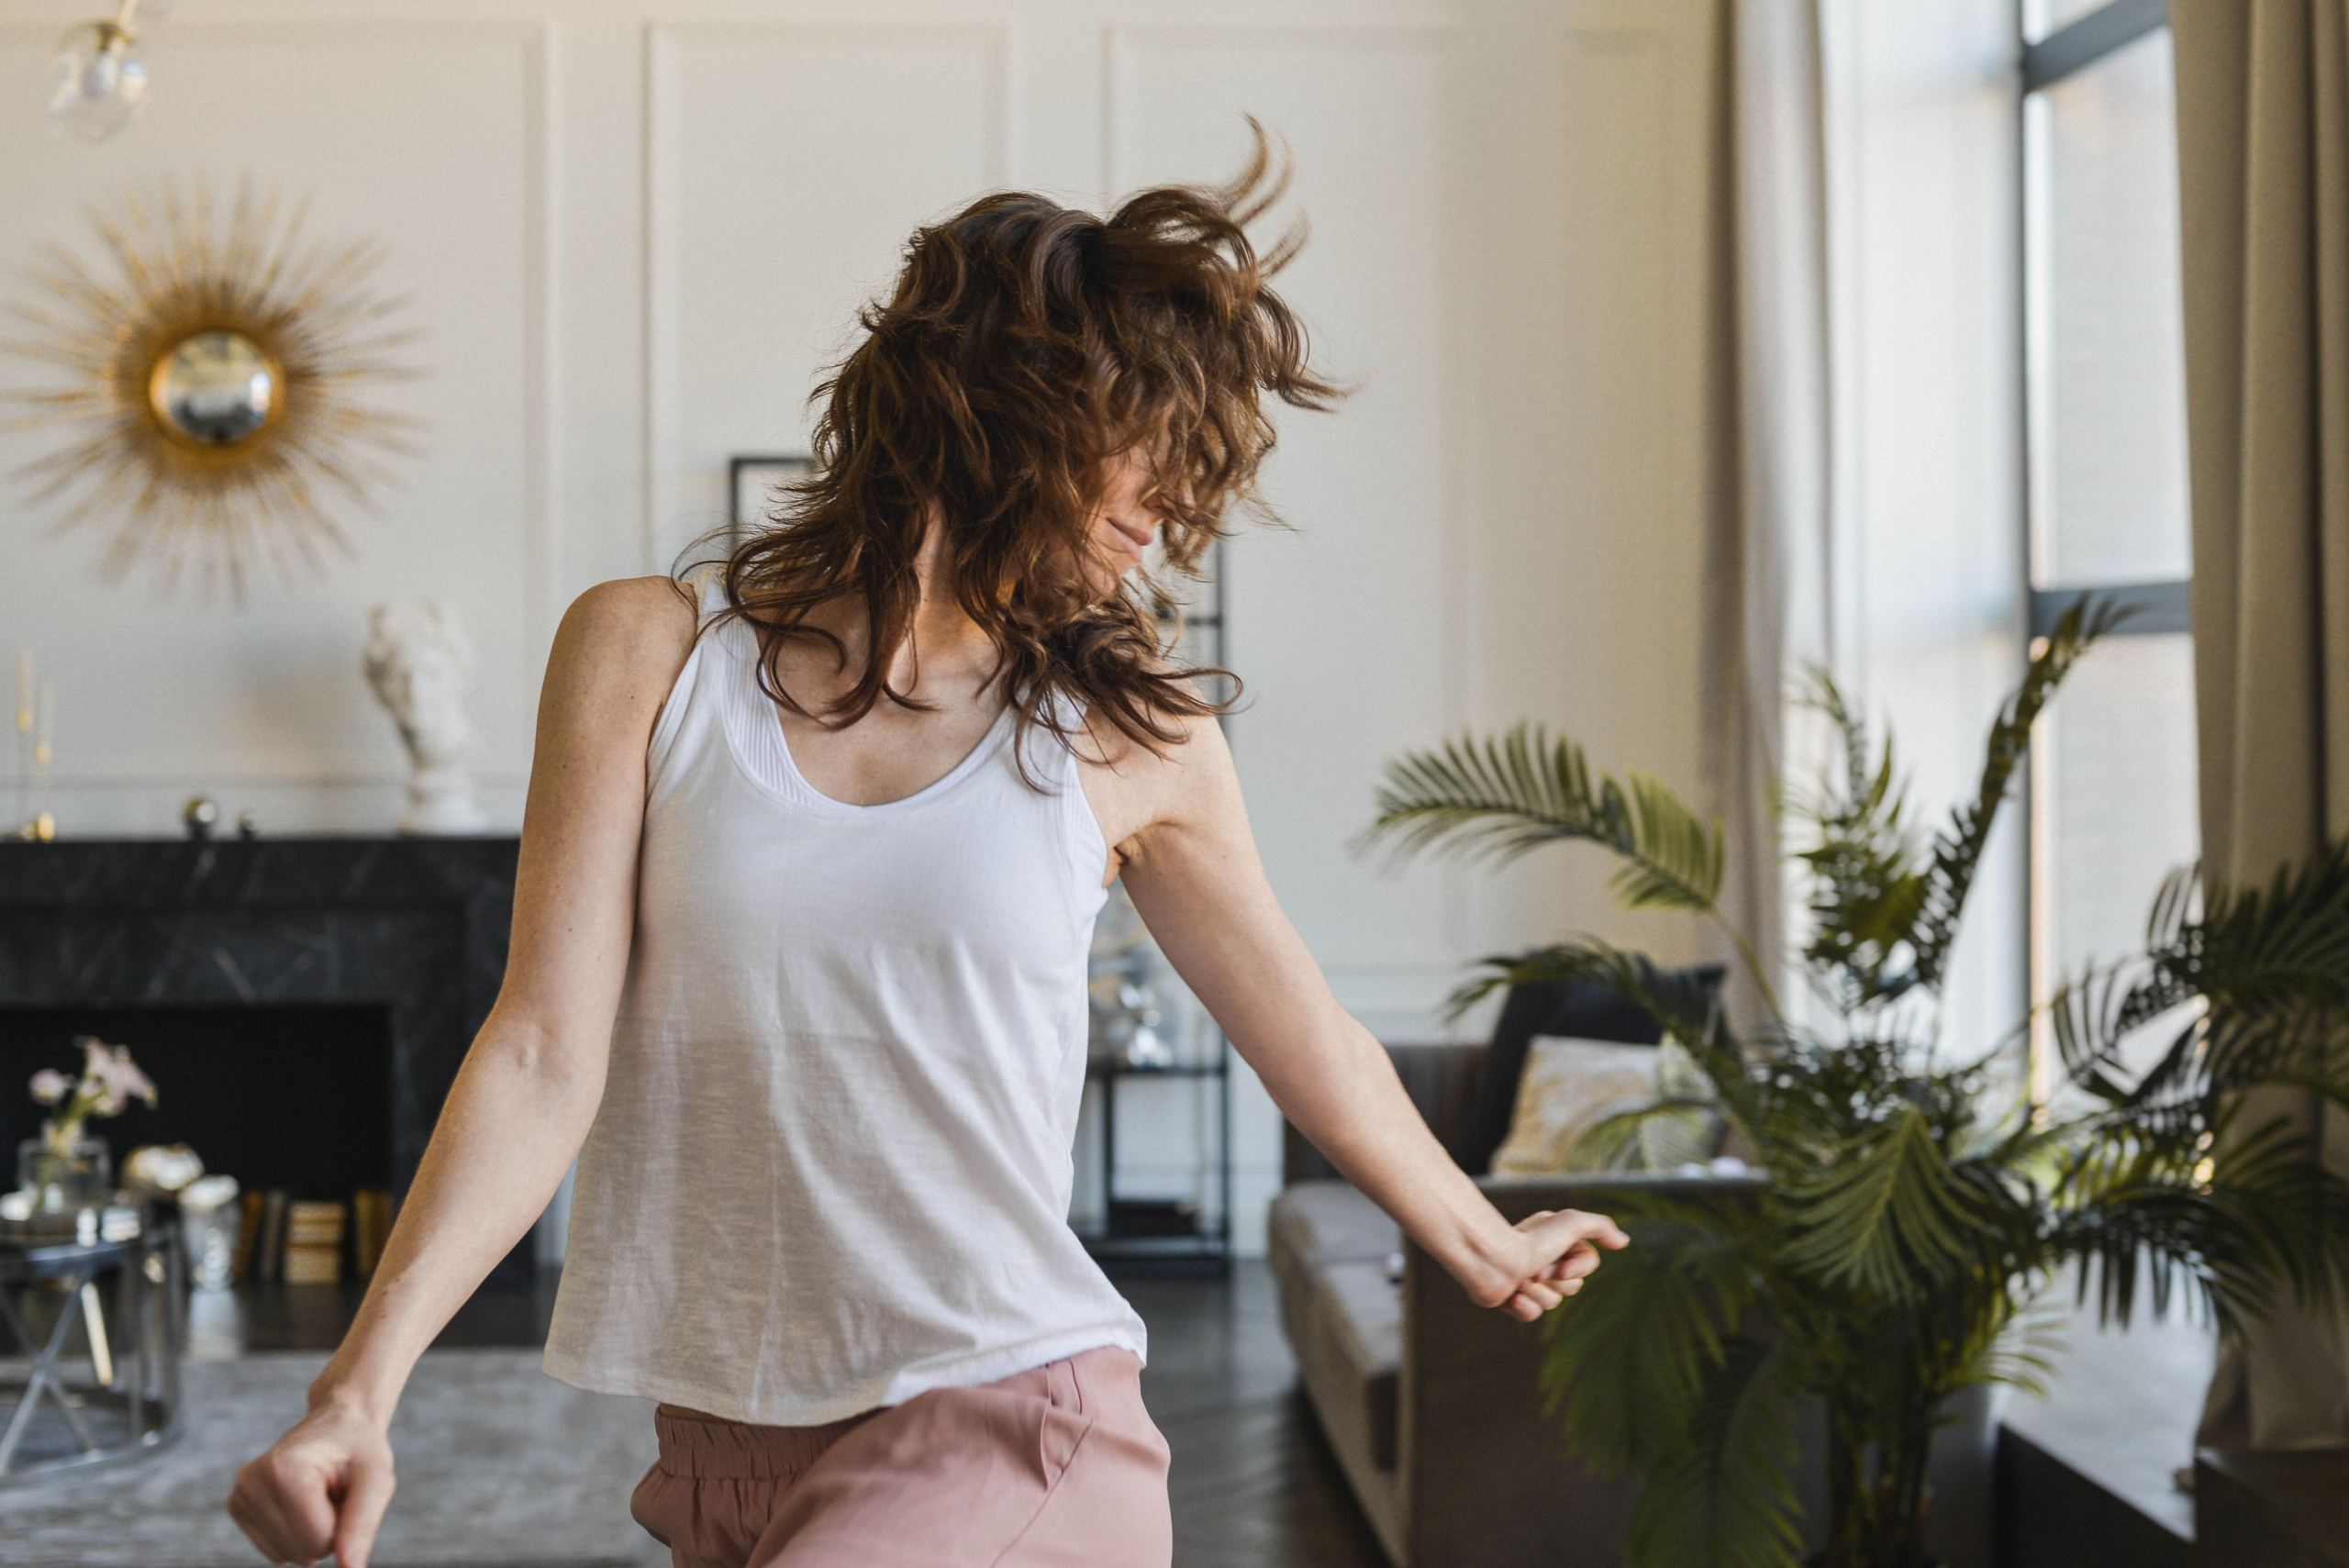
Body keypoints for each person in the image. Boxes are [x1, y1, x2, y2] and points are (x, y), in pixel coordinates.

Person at [226, 134, 1629, 1568]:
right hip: (720, 1443)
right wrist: (357, 1392)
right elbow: (539, 1051)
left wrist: (1484, 1237)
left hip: (1009, 1413)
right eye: (1146, 447)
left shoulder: (1126, 738)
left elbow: (1304, 1029)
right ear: (1010, 409)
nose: (1168, 512)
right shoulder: (650, 653)